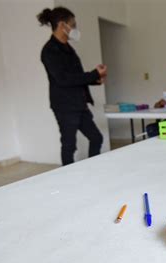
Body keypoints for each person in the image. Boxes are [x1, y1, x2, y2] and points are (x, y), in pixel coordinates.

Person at [38, 7, 107, 165]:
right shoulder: (49, 51)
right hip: (65, 106)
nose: (75, 29)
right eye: (73, 24)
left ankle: (92, 170)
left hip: (79, 103)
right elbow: (63, 79)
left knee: (96, 138)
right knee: (69, 146)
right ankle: (67, 180)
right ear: (62, 25)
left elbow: (76, 76)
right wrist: (94, 74)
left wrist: (96, 79)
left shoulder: (69, 49)